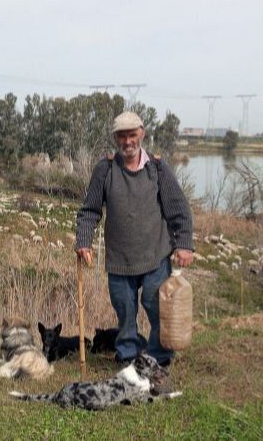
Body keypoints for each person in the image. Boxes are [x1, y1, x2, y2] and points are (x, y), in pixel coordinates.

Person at [75, 111, 194, 367]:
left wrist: (184, 244)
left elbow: (179, 209)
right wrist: (83, 241)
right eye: (122, 136)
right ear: (115, 138)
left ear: (142, 133)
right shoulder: (105, 169)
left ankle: (159, 359)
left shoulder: (158, 168)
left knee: (156, 309)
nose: (127, 141)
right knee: (125, 312)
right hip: (119, 260)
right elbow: (90, 210)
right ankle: (128, 356)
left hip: (155, 257)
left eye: (132, 135)